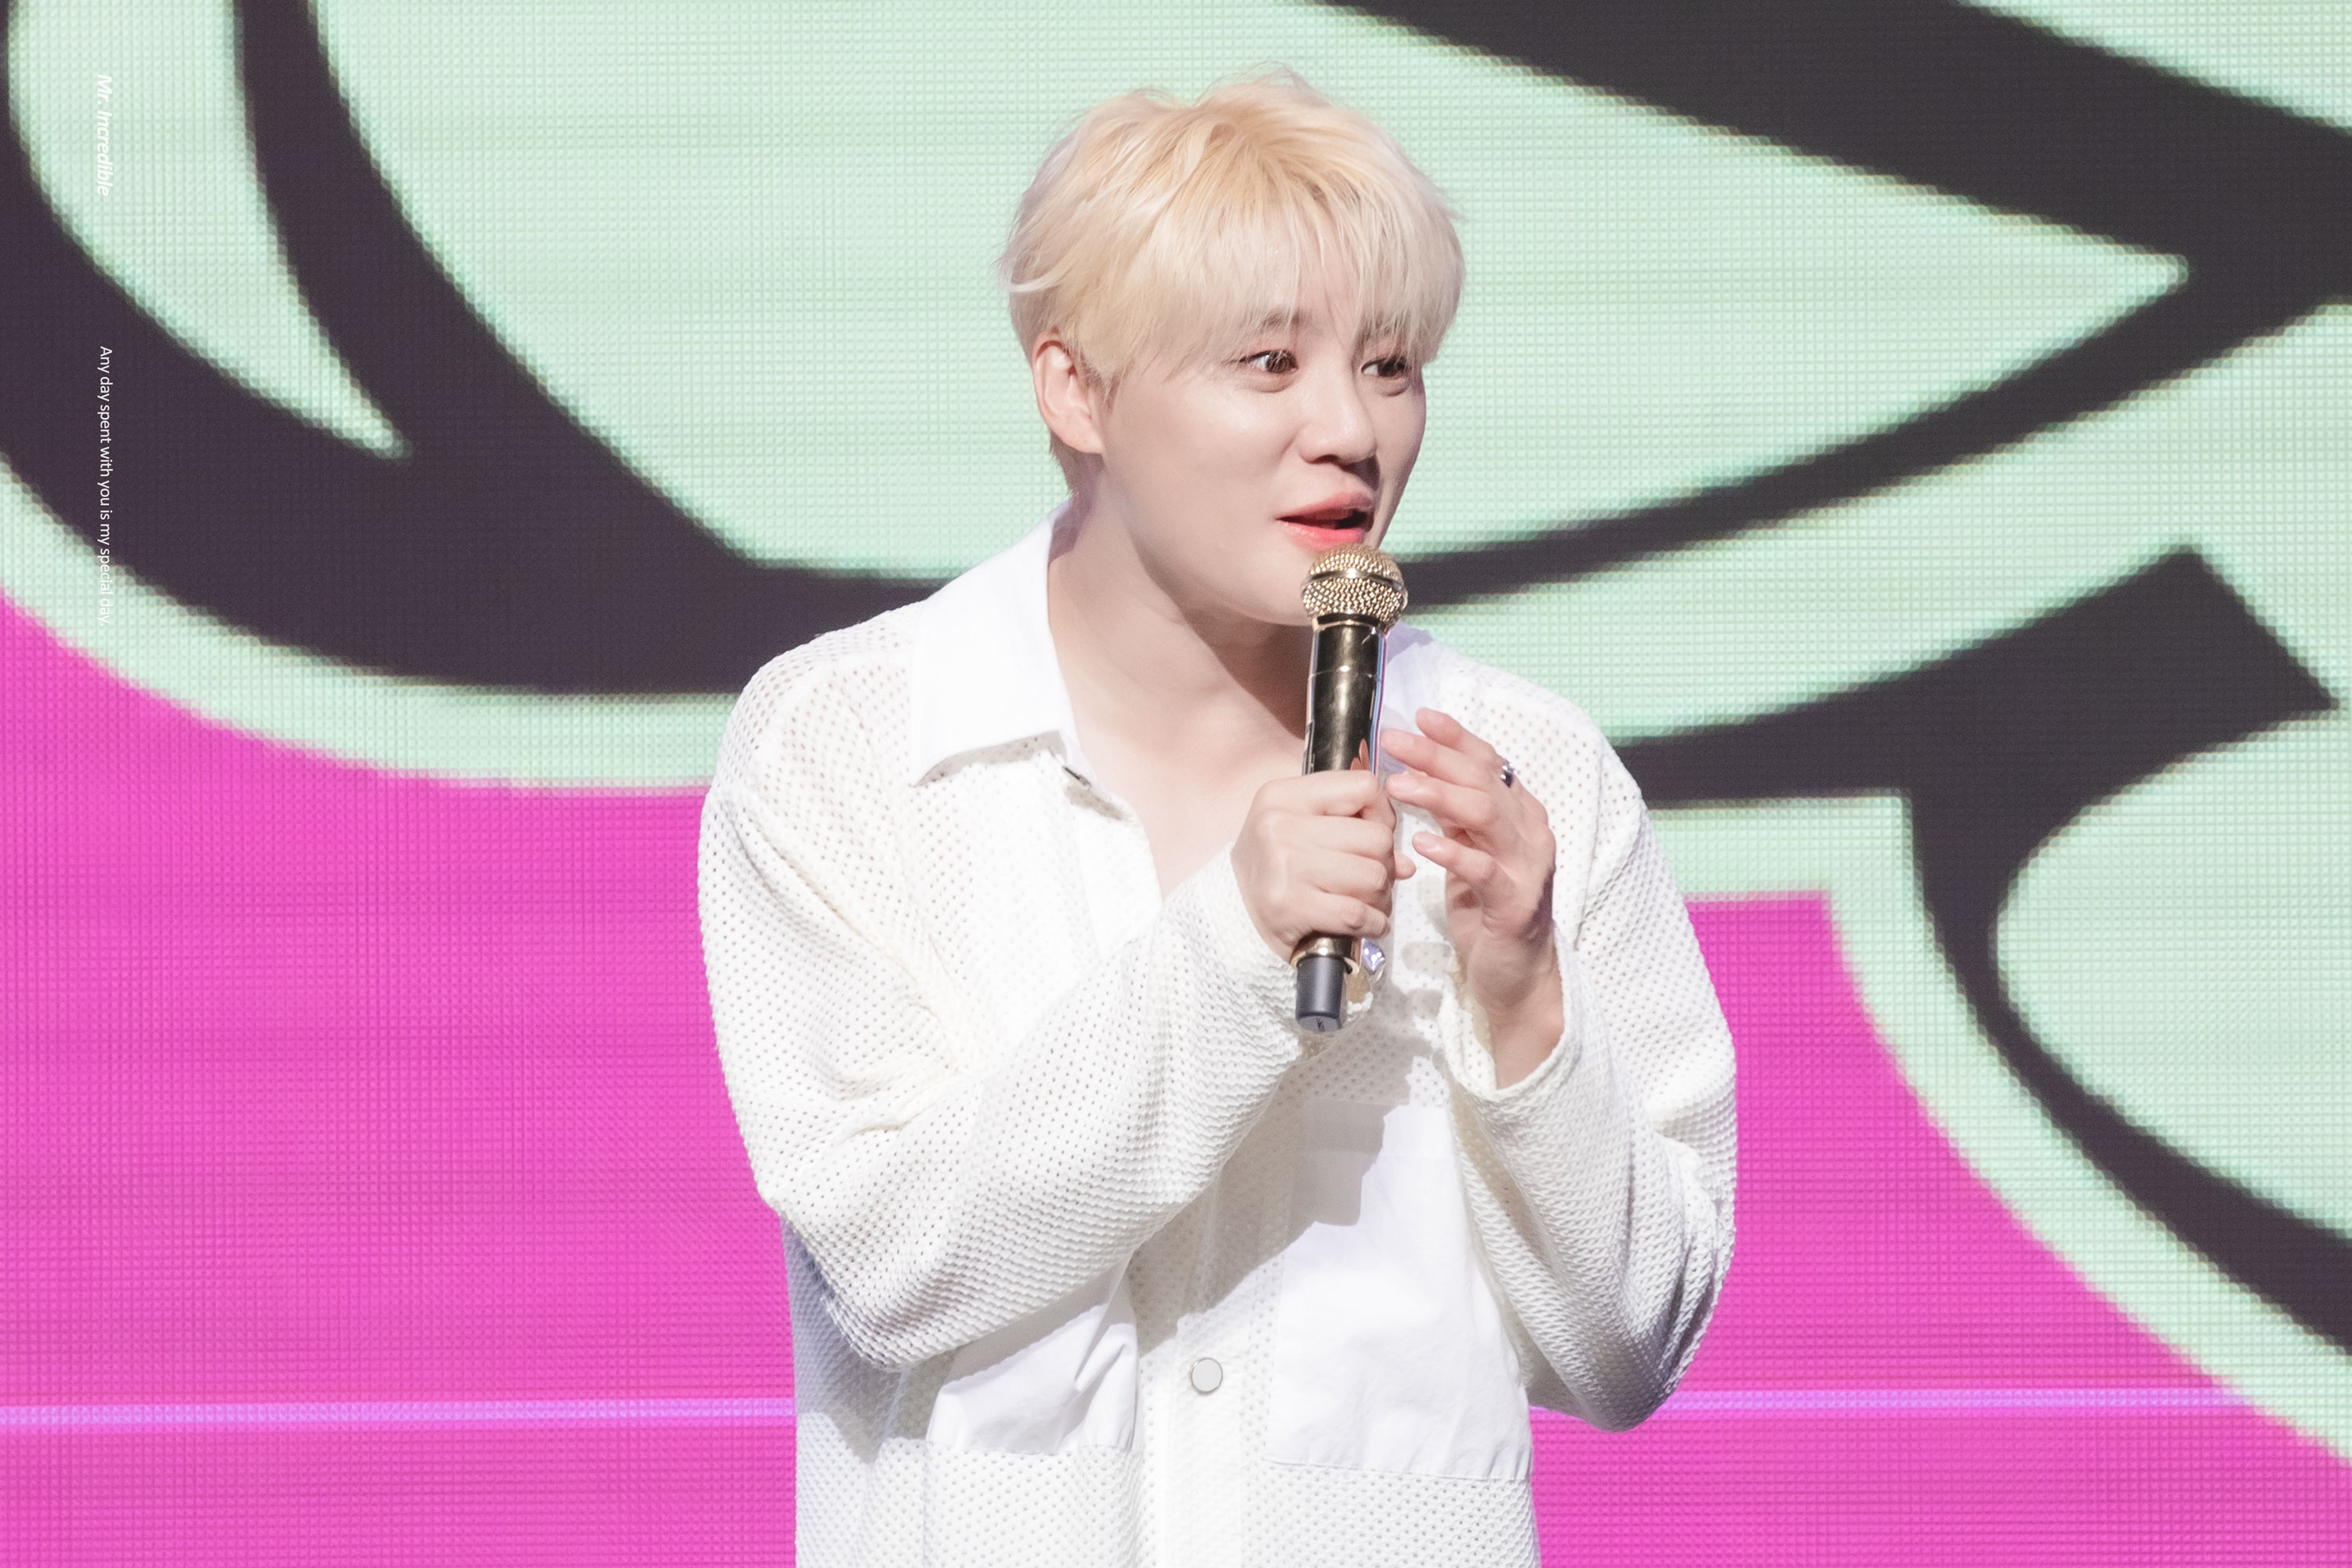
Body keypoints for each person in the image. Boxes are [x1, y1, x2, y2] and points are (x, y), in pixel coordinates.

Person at [696, 71, 1736, 1568]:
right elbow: (895, 1263)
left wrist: (1524, 1003)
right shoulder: (857, 744)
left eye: (1390, 366)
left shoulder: (1524, 779)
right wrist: (1239, 950)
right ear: (1075, 390)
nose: (1351, 431)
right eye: (1269, 363)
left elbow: (1631, 1350)